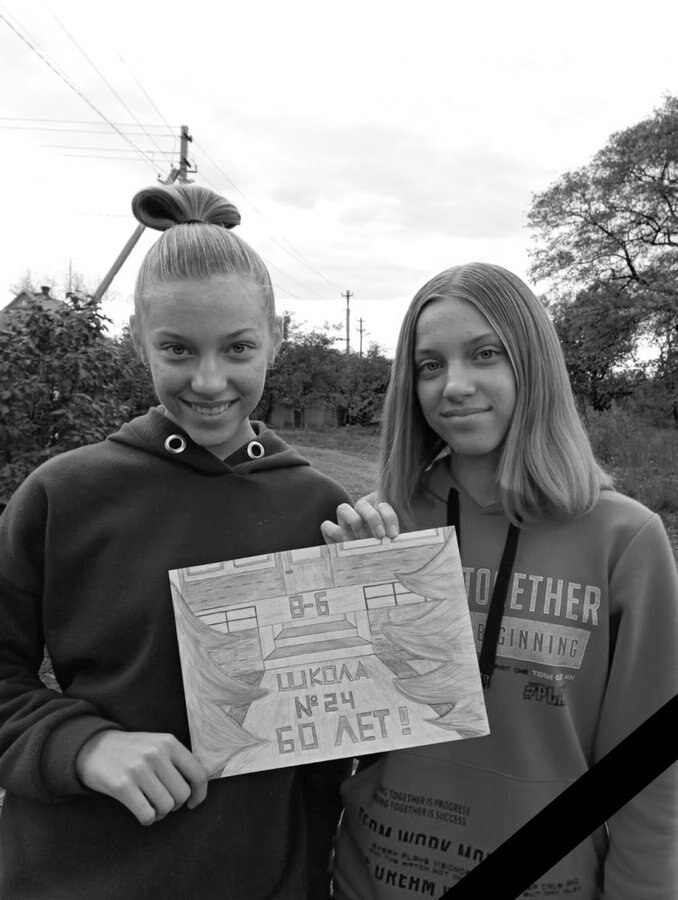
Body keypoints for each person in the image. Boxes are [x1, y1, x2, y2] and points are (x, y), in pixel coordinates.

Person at [0, 183, 352, 899]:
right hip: (73, 875)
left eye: (239, 348)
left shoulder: (320, 508)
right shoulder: (63, 494)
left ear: (276, 339)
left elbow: (336, 741)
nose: (210, 380)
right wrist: (83, 745)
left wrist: (382, 593)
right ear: (138, 342)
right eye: (177, 349)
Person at [321, 263, 678, 899]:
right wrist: (349, 600)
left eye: (485, 354)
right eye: (430, 365)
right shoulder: (384, 525)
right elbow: (327, 716)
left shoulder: (625, 541)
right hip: (375, 878)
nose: (454, 386)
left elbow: (652, 782)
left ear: (532, 365)